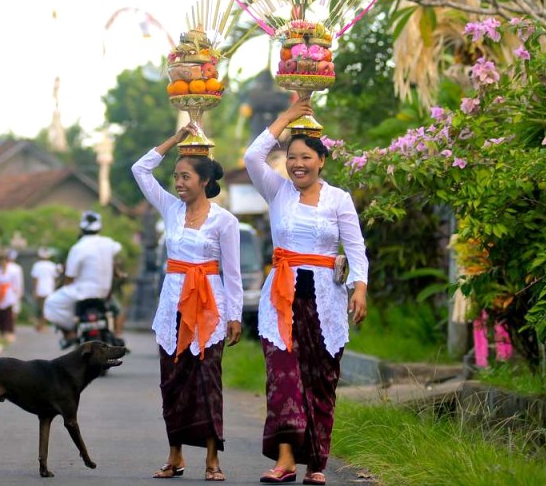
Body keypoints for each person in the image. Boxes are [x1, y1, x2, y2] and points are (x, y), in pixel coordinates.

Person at [243, 99, 368, 485]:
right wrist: (286, 117)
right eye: (291, 157)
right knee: (283, 377)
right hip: (280, 299)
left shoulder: (339, 199)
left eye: (306, 157)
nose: (298, 164)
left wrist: (359, 288)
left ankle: (315, 463)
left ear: (321, 161)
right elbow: (252, 155)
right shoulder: (277, 190)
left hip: (324, 301)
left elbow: (356, 246)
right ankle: (284, 461)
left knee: (319, 380)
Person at [131, 123, 243, 482]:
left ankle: (212, 459)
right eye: (176, 176)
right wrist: (175, 141)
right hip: (173, 305)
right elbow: (140, 170)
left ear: (204, 181)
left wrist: (235, 316)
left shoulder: (225, 221)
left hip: (210, 307)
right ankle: (175, 455)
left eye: (185, 177)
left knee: (207, 380)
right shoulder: (170, 209)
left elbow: (233, 273)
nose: (177, 183)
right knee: (173, 381)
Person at [44, 211, 122, 347]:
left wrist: (64, 286)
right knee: (117, 310)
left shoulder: (78, 248)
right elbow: (116, 254)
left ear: (81, 229)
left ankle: (70, 332)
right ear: (100, 228)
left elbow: (70, 276)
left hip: (81, 292)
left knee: (51, 303)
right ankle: (117, 335)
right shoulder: (109, 243)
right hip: (104, 291)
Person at [0, 249, 24, 343]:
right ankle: (3, 333)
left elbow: (17, 284)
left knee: (8, 315)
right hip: (1, 295)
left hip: (9, 295)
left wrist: (18, 294)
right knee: (3, 315)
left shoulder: (13, 269)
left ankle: (8, 333)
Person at [30, 246, 59, 332]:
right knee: (46, 309)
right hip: (49, 290)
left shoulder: (37, 265)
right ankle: (41, 325)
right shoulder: (52, 265)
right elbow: (55, 278)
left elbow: (35, 279)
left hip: (40, 290)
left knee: (40, 308)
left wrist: (35, 290)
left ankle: (40, 325)